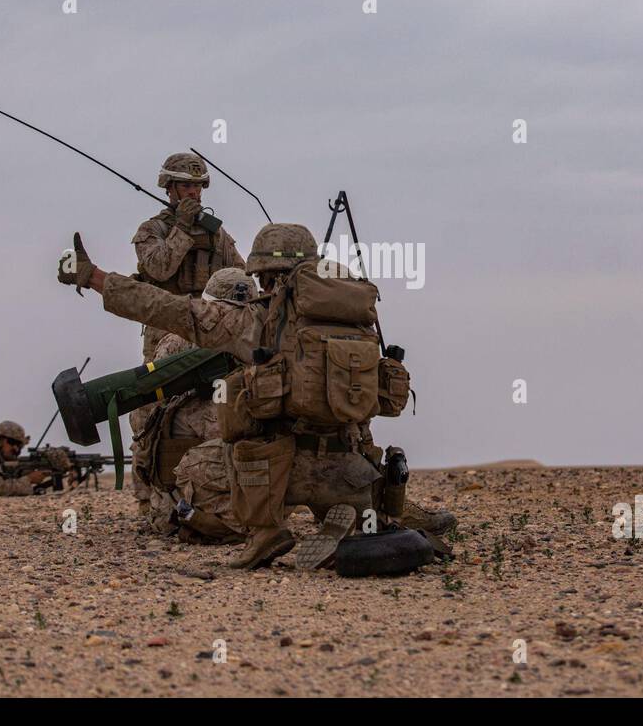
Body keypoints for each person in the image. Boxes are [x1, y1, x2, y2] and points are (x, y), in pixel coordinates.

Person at [59, 223, 455, 570]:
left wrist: (92, 276)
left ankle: (265, 532)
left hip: (282, 473)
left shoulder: (258, 321)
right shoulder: (358, 326)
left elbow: (166, 308)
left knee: (208, 456)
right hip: (351, 469)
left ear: (267, 277)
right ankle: (370, 517)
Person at [127, 153, 246, 516]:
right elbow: (159, 267)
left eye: (197, 185)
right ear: (169, 188)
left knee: (208, 407)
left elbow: (240, 276)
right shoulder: (154, 231)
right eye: (186, 185)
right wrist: (181, 229)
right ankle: (148, 499)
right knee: (150, 409)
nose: (193, 192)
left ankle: (200, 491)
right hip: (165, 328)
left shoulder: (215, 233)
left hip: (207, 330)